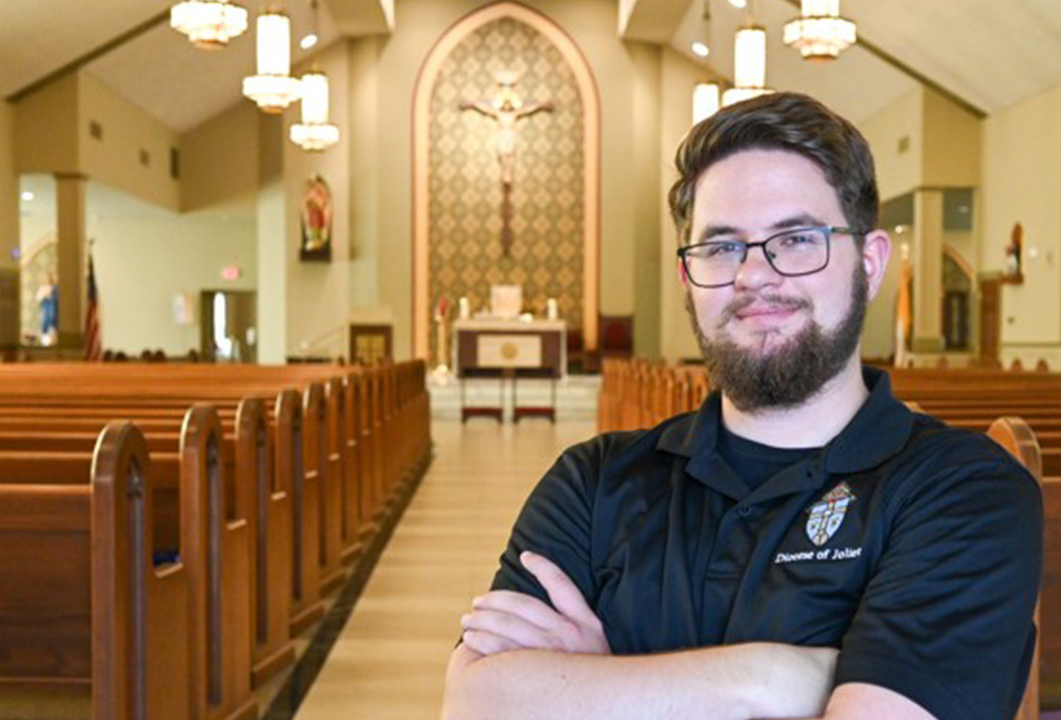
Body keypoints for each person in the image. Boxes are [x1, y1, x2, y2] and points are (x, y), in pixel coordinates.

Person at [442, 92, 1042, 720]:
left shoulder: (964, 489)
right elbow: (475, 701)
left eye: (797, 238)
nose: (754, 275)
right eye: (722, 247)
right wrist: (774, 677)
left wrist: (600, 684)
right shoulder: (592, 484)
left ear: (869, 264)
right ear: (686, 278)